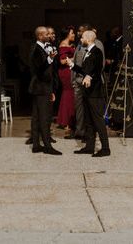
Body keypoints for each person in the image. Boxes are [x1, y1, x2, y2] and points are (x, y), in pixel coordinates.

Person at [67, 29, 110, 157]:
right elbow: (84, 70)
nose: (80, 39)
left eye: (82, 38)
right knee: (88, 121)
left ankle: (106, 148)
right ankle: (89, 147)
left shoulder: (96, 52)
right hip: (87, 91)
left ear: (89, 39)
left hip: (95, 92)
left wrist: (89, 77)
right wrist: (73, 65)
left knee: (98, 120)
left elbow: (97, 70)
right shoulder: (87, 52)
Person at [28, 26, 62, 155]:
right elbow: (38, 68)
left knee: (37, 117)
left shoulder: (42, 47)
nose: (49, 36)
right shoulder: (36, 49)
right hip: (41, 87)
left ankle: (36, 145)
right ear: (40, 36)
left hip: (43, 87)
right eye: (46, 34)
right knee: (44, 117)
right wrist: (50, 58)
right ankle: (47, 146)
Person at [56, 27, 76, 135]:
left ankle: (67, 120)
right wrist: (76, 57)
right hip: (66, 72)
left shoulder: (68, 45)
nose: (74, 35)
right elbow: (63, 61)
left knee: (69, 94)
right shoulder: (63, 45)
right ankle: (67, 121)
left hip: (69, 71)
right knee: (68, 94)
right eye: (72, 33)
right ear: (67, 34)